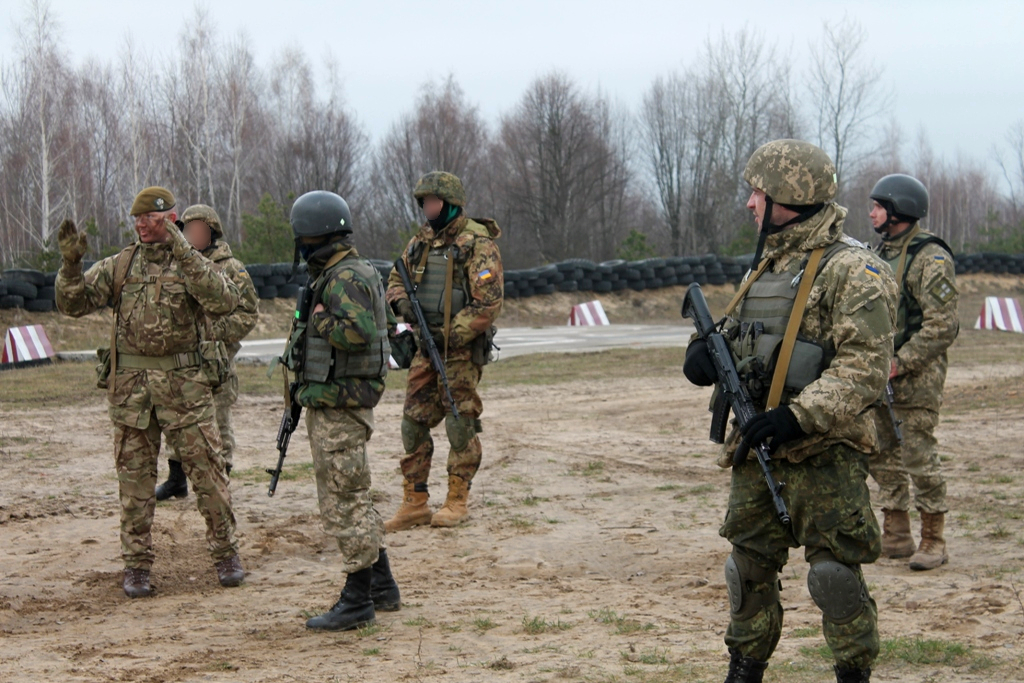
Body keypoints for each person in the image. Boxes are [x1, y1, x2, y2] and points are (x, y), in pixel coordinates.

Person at [682, 140, 897, 683]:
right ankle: (744, 670)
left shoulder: (854, 270)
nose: (750, 204)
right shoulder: (766, 266)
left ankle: (853, 673)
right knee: (746, 573)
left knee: (833, 578)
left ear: (788, 195)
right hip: (758, 447)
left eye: (758, 192)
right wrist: (703, 353)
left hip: (825, 452)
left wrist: (797, 417)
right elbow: (738, 336)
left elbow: (864, 370)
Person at [55, 186, 244, 598]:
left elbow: (225, 299)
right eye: (137, 219)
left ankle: (226, 553)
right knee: (135, 484)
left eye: (151, 219)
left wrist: (184, 251)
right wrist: (70, 265)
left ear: (171, 220)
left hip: (185, 389)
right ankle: (137, 565)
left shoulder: (190, 262)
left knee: (209, 474)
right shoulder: (121, 264)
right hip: (133, 393)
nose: (141, 225)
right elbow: (74, 304)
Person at [276, 190, 401, 631]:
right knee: (353, 495)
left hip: (341, 404)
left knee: (345, 500)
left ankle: (357, 600)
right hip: (336, 402)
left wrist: (318, 318)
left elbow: (359, 332)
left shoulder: (344, 276)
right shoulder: (343, 271)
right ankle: (382, 586)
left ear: (312, 234)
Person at [383, 171, 503, 530]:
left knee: (459, 424)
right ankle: (415, 501)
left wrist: (449, 335)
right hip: (425, 348)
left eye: (433, 202)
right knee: (412, 424)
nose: (428, 208)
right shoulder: (420, 243)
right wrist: (402, 304)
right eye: (425, 203)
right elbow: (395, 279)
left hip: (460, 353)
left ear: (450, 204)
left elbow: (488, 302)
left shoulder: (477, 244)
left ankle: (457, 499)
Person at [867, 174, 958, 571]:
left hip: (916, 378)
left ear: (899, 210)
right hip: (880, 374)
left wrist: (900, 363)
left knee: (918, 456)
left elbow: (943, 326)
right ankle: (897, 533)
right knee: (882, 455)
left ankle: (934, 539)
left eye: (878, 206)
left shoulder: (930, 258)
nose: (872, 213)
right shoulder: (878, 254)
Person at [156, 204, 259, 499]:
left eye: (197, 229)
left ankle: (220, 480)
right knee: (177, 421)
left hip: (217, 364)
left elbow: (248, 313)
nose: (190, 235)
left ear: (211, 232)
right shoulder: (177, 265)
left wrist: (214, 331)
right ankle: (176, 480)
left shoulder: (231, 268)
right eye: (187, 230)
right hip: (182, 362)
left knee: (218, 424)